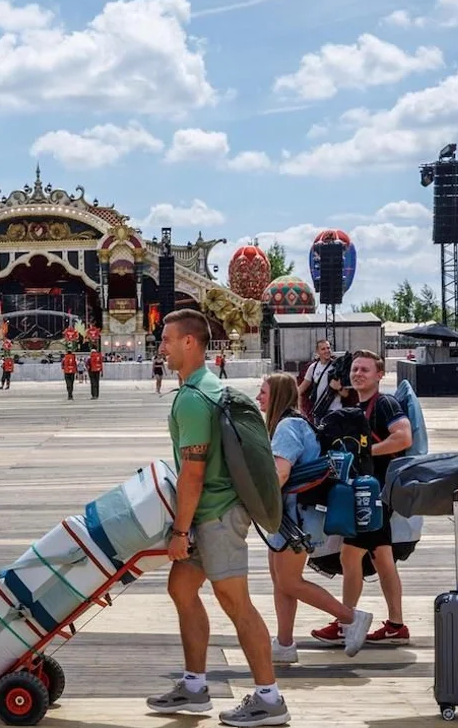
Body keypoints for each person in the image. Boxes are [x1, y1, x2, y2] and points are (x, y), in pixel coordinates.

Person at [146, 309, 288, 727]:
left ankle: (270, 699)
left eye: (168, 339)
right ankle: (194, 687)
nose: (162, 347)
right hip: (206, 513)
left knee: (235, 603)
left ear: (189, 342)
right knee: (181, 589)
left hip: (216, 516)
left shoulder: (193, 399)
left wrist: (180, 531)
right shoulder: (208, 387)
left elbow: (193, 473)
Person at [256, 373, 373, 665]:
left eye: (263, 392)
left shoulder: (287, 426)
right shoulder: (295, 423)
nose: (258, 397)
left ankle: (351, 617)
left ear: (277, 396)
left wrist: (254, 500)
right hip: (291, 514)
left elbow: (280, 473)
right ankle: (284, 644)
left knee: (289, 580)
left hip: (297, 517)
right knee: (281, 580)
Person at [311, 350, 411, 648]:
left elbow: (403, 437)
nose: (358, 374)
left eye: (365, 370)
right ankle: (395, 625)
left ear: (380, 375)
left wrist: (364, 453)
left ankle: (346, 623)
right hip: (370, 492)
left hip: (375, 493)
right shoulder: (357, 406)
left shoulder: (384, 404)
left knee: (351, 555)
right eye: (355, 369)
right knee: (382, 557)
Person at [296, 339, 340, 423]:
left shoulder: (337, 366)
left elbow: (346, 393)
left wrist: (339, 387)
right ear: (317, 352)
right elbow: (302, 388)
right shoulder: (313, 367)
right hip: (320, 411)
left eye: (328, 348)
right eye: (323, 349)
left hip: (335, 410)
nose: (327, 351)